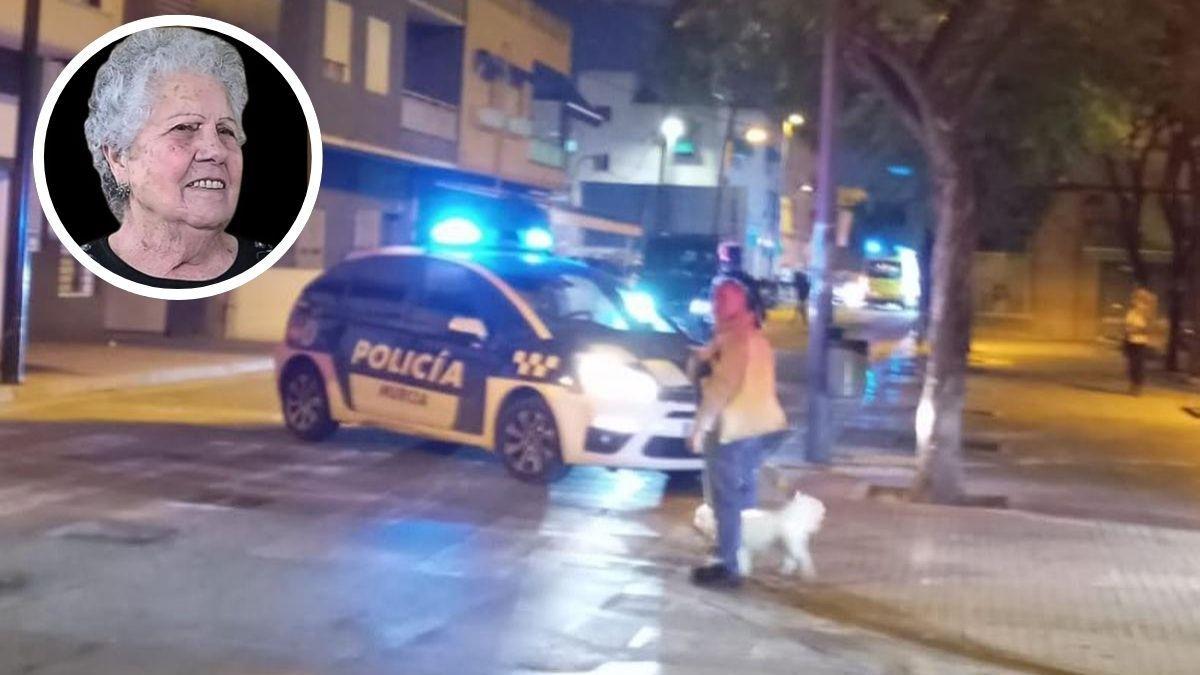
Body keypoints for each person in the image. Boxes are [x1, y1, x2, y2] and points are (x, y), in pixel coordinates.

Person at [81, 27, 271, 289]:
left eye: (226, 130)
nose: (216, 150)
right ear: (119, 158)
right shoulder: (85, 265)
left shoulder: (267, 266)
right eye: (184, 127)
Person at [688, 279, 788, 588]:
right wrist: (708, 354)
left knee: (726, 500)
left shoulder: (734, 342)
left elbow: (720, 389)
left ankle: (728, 564)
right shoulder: (755, 338)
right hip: (759, 430)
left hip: (731, 432)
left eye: (718, 301)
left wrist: (699, 428)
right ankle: (739, 554)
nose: (715, 306)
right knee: (743, 496)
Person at [713, 242, 765, 326]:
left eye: (729, 261)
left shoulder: (746, 281)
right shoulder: (717, 280)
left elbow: (756, 302)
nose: (726, 264)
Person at [1123, 286, 1156, 396]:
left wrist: (1136, 329)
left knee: (1139, 365)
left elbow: (1148, 328)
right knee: (1132, 365)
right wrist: (1131, 330)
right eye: (1135, 299)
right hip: (1131, 341)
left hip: (1141, 342)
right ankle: (1133, 385)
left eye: (1138, 299)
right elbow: (1127, 326)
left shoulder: (1146, 314)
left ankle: (1138, 386)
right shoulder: (1131, 312)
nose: (1135, 301)